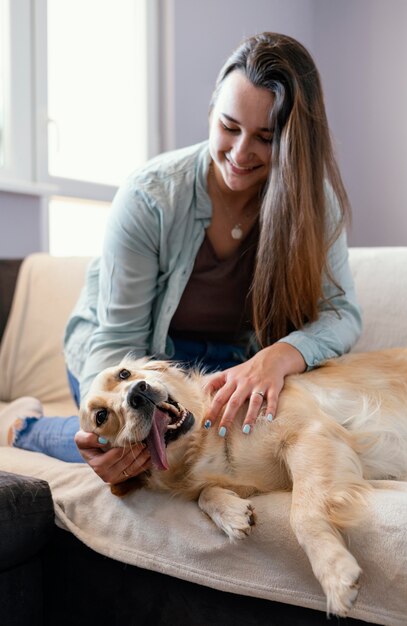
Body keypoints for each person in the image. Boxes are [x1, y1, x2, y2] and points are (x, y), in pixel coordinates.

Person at [0, 32, 361, 488]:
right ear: (211, 112)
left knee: (235, 445)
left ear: (293, 142)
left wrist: (280, 356)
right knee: (137, 453)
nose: (241, 152)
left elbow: (341, 313)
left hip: (229, 363)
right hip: (130, 361)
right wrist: (110, 438)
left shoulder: (313, 204)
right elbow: (116, 342)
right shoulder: (150, 197)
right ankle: (25, 428)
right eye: (229, 127)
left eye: (265, 138)